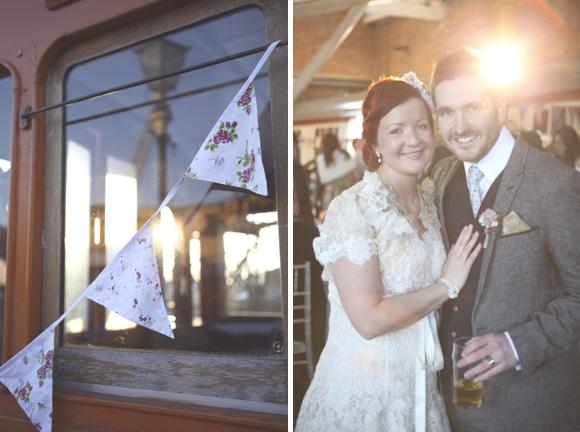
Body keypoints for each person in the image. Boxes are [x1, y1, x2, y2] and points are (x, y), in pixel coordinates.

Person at [295, 74, 481, 431]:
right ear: (375, 141)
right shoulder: (353, 208)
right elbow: (368, 320)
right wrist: (446, 286)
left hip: (421, 387)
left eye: (422, 126)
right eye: (396, 130)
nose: (413, 139)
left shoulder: (432, 198)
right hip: (365, 393)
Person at [430, 48, 580, 431]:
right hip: (447, 406)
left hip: (529, 409)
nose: (459, 126)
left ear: (501, 105)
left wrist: (516, 345)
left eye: (473, 107)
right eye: (446, 112)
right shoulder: (440, 178)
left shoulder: (556, 184)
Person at [315, 133, 359, 212]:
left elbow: (323, 178)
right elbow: (353, 166)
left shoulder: (321, 157)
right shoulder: (344, 154)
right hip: (347, 191)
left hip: (330, 194)